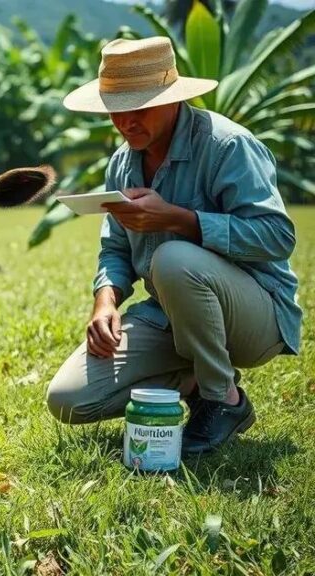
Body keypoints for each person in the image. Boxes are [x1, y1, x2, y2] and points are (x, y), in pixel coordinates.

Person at [46, 36, 302, 454]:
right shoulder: (122, 162)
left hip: (257, 317)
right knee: (68, 399)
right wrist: (105, 302)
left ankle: (225, 401)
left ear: (172, 98)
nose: (126, 122)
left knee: (173, 258)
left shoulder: (226, 145)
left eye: (140, 107)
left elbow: (277, 236)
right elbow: (115, 248)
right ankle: (195, 382)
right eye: (116, 110)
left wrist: (180, 220)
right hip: (171, 315)